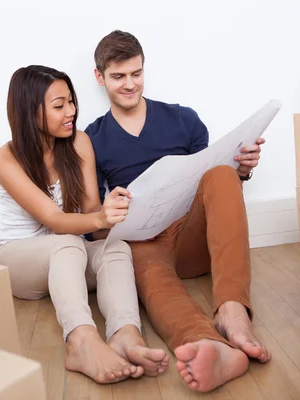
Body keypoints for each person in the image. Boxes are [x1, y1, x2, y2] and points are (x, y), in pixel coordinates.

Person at [84, 30, 272, 393]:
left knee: (219, 173)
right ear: (99, 77)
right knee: (154, 283)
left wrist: (242, 169)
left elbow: (217, 192)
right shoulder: (92, 138)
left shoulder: (183, 119)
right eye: (118, 77)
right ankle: (212, 347)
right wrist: (108, 211)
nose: (129, 85)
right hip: (144, 243)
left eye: (136, 74)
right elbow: (92, 223)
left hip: (191, 236)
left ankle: (233, 314)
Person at [0, 65, 170, 384]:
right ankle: (81, 341)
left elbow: (90, 215)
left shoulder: (79, 142)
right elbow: (56, 221)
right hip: (18, 260)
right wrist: (99, 216)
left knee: (113, 247)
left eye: (71, 102)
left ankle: (125, 334)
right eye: (59, 106)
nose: (71, 112)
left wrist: (122, 215)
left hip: (67, 259)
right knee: (68, 242)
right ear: (29, 112)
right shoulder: (6, 158)